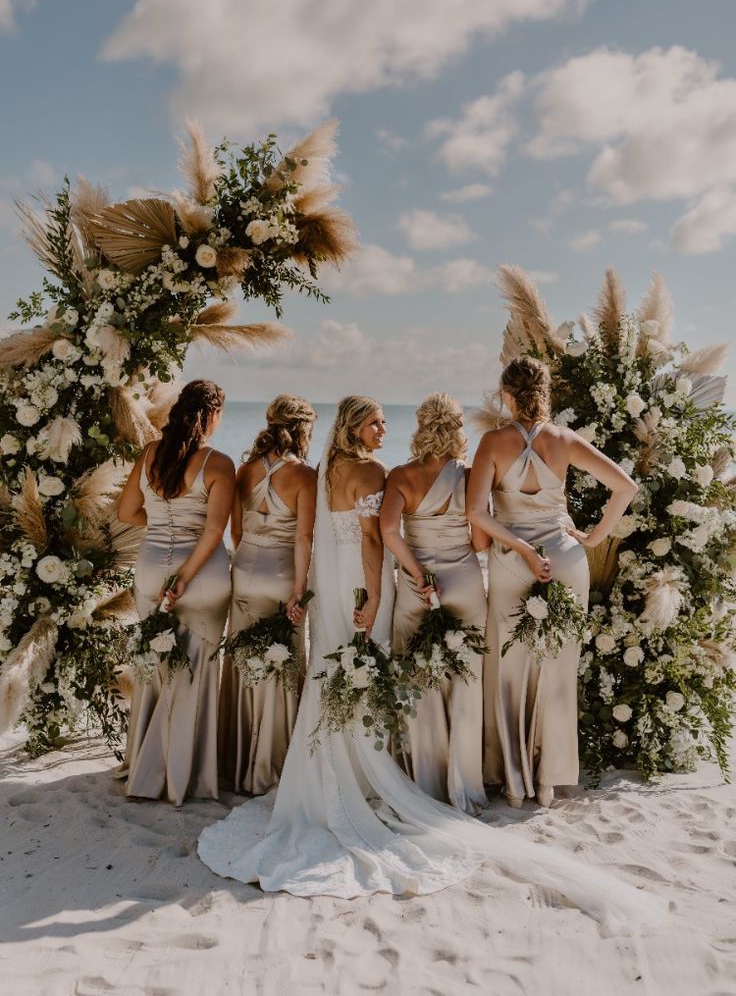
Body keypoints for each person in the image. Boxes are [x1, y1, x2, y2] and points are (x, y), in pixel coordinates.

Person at [197, 394, 661, 934]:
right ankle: (422, 776)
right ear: (356, 426)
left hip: (337, 585)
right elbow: (389, 540)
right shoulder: (388, 472)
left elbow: (362, 533)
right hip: (380, 585)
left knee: (345, 671)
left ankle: (359, 764)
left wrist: (384, 577)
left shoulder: (334, 472)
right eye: (376, 422)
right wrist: (375, 594)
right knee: (404, 675)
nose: (383, 429)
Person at [467, 356, 637, 809]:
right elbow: (626, 488)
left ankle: (514, 782)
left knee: (509, 665)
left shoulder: (491, 442)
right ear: (544, 392)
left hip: (510, 558)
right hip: (564, 556)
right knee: (557, 668)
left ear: (506, 393)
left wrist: (521, 549)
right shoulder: (565, 440)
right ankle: (549, 780)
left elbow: (477, 514)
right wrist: (593, 536)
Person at [117, 380, 234, 805]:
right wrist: (184, 574)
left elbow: (126, 511)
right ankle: (184, 771)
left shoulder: (149, 455)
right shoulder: (217, 463)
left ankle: (143, 766)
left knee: (154, 666)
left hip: (150, 569)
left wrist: (163, 527)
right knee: (195, 669)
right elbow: (215, 531)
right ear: (212, 415)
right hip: (201, 576)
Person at [381, 393, 488, 813]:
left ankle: (418, 779)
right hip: (462, 581)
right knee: (466, 682)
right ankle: (462, 783)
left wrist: (417, 573)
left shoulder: (401, 475)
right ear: (458, 429)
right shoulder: (471, 475)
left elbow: (390, 531)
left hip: (415, 587)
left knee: (413, 677)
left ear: (421, 426)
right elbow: (480, 539)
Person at [218, 395, 317, 794]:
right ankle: (273, 763)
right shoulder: (304, 476)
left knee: (243, 661)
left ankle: (238, 758)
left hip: (243, 570)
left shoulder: (244, 470)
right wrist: (299, 590)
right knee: (282, 663)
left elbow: (235, 530)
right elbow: (304, 537)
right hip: (280, 574)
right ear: (302, 429)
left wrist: (245, 558)